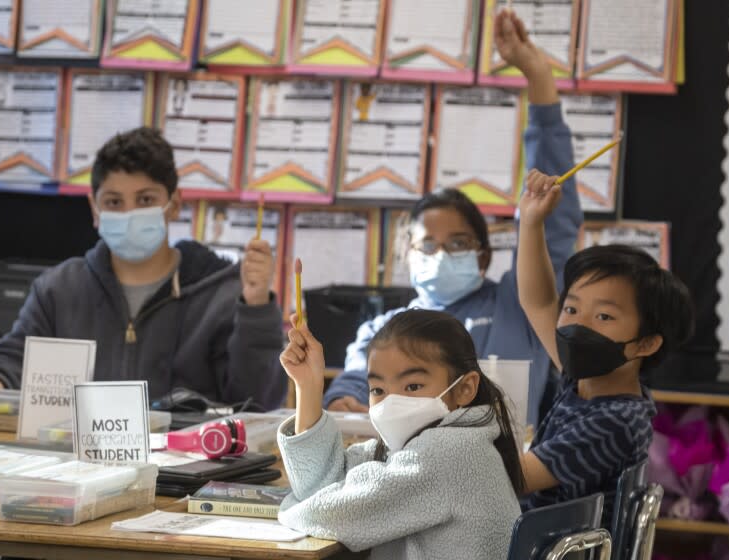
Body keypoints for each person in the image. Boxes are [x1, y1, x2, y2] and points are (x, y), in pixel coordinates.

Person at [324, 8, 584, 428]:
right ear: (407, 257)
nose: (441, 254)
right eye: (427, 245)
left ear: (483, 257)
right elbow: (352, 384)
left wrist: (537, 75)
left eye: (458, 243)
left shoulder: (516, 307)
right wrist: (343, 405)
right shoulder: (386, 327)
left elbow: (550, 220)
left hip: (505, 483)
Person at [0, 127, 286, 409]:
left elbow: (258, 401)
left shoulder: (222, 294)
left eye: (145, 200)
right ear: (95, 208)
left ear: (173, 205)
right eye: (114, 202)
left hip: (185, 475)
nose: (129, 213)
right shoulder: (60, 290)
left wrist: (256, 308)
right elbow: (11, 358)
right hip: (79, 468)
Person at [516, 169, 694, 524]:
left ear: (645, 343)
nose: (577, 325)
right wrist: (532, 222)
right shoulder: (586, 379)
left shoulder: (616, 421)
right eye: (571, 308)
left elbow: (516, 477)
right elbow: (537, 303)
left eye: (604, 317)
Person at [277, 309, 524, 559]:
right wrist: (308, 386)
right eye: (378, 389)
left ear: (465, 388)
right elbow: (319, 483)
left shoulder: (447, 452)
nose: (392, 402)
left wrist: (289, 507)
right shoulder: (414, 448)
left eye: (413, 386)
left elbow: (329, 514)